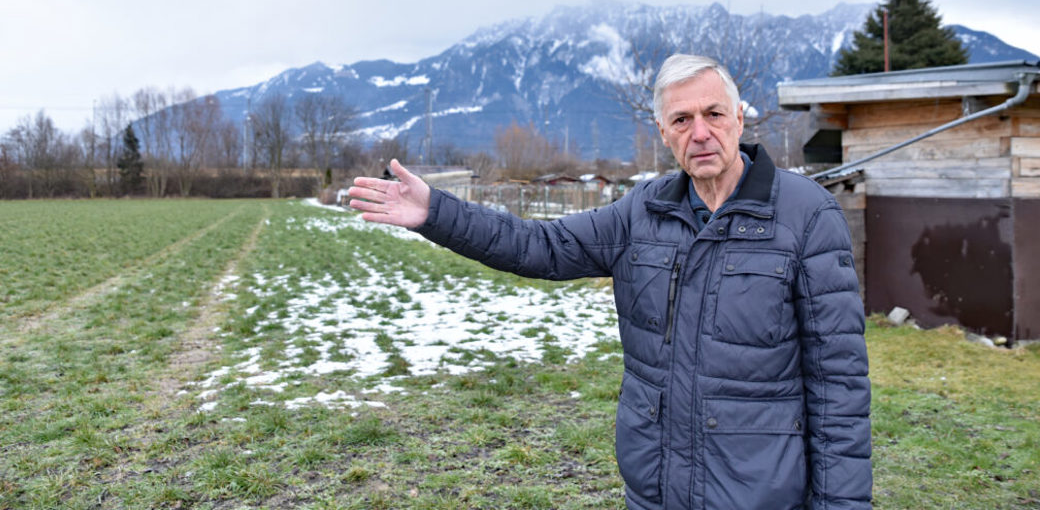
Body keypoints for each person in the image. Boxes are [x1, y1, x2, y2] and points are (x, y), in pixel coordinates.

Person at [348, 54, 872, 510]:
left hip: (761, 493)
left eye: (713, 114)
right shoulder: (642, 213)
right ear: (664, 134)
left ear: (739, 118)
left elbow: (838, 387)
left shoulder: (806, 217)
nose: (701, 133)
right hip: (656, 486)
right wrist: (436, 213)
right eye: (682, 119)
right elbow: (540, 245)